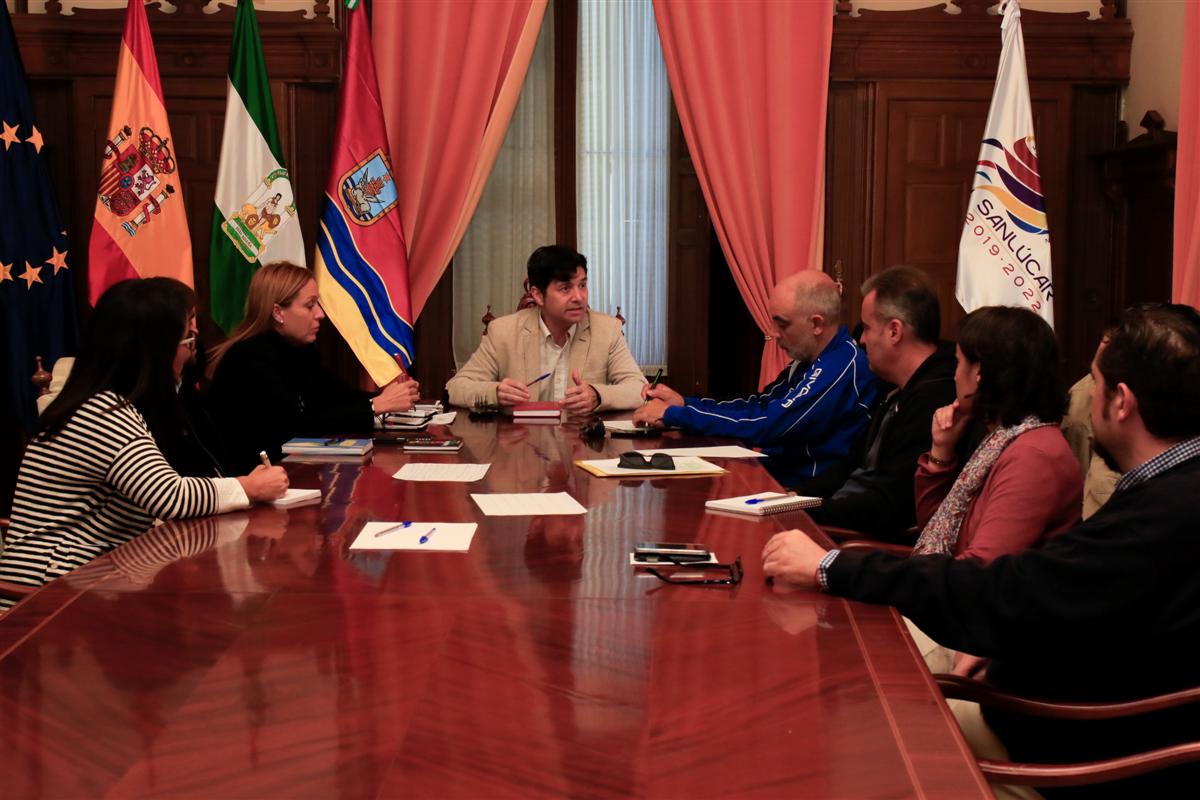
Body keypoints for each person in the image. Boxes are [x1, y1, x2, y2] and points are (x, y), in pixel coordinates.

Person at [762, 303, 1200, 798]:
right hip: (1053, 699)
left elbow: (1003, 584)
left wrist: (832, 565)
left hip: (1078, 747)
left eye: (1094, 382)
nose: (1085, 398)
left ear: (1121, 401)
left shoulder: (1162, 509)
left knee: (861, 723)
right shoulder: (1171, 489)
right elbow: (1074, 598)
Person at [0, 279, 288, 608]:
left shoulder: (110, 401)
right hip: (46, 600)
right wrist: (248, 487)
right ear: (154, 351)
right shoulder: (100, 412)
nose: (192, 352)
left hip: (88, 584)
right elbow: (168, 496)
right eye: (188, 340)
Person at [633, 270, 877, 485]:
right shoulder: (809, 360)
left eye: (782, 325)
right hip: (774, 476)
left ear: (816, 324)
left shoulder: (841, 366)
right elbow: (759, 404)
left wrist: (676, 415)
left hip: (800, 495)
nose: (774, 334)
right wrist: (685, 403)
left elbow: (770, 424)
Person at [207, 261, 419, 472]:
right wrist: (374, 406)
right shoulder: (249, 357)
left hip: (291, 470)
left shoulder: (298, 349)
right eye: (310, 305)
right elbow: (297, 425)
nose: (320, 314)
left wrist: (384, 397)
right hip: (255, 478)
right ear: (278, 313)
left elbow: (335, 396)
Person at [908, 306, 1081, 564]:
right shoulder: (1004, 437)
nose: (954, 375)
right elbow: (936, 529)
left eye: (958, 362)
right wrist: (941, 450)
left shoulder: (1033, 457)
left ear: (979, 373)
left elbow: (980, 569)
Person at [796, 266, 957, 539]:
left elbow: (887, 508)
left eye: (868, 328)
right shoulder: (897, 388)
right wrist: (794, 498)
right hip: (840, 524)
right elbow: (851, 465)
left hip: (858, 544)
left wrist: (799, 514)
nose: (861, 339)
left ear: (894, 331)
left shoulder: (934, 401)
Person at [446, 245, 647, 413]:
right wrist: (496, 392)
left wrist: (597, 395)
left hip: (582, 447)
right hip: (521, 447)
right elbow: (456, 388)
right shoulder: (503, 332)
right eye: (565, 288)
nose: (579, 297)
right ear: (538, 295)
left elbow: (640, 389)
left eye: (583, 285)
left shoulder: (607, 330)